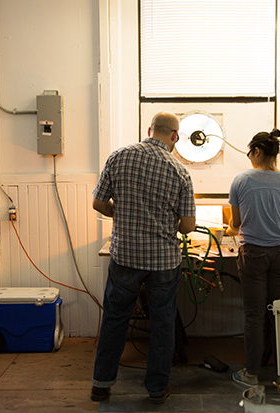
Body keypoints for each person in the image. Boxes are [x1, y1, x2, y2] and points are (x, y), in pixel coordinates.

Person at [90, 111, 196, 404]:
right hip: (163, 262)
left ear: (149, 129)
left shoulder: (119, 156)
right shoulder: (179, 171)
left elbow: (99, 203)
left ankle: (101, 384)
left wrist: (120, 214)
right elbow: (187, 227)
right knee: (163, 324)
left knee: (114, 319)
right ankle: (157, 389)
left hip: (124, 256)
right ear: (174, 136)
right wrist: (166, 223)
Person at [227, 128, 280, 387]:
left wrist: (230, 228)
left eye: (249, 153)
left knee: (254, 316)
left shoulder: (241, 180)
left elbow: (236, 224)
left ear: (257, 151)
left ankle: (252, 374)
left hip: (254, 254)